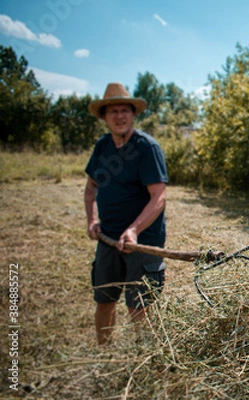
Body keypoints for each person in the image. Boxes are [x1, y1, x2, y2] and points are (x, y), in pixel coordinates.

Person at [84, 82, 168, 345]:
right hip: (109, 239)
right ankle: (104, 355)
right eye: (113, 112)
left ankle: (147, 362)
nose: (119, 116)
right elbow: (90, 189)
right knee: (104, 299)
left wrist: (134, 230)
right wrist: (92, 220)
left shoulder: (146, 148)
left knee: (138, 306)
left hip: (142, 242)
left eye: (124, 111)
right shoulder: (102, 148)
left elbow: (159, 197)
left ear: (133, 115)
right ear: (104, 117)